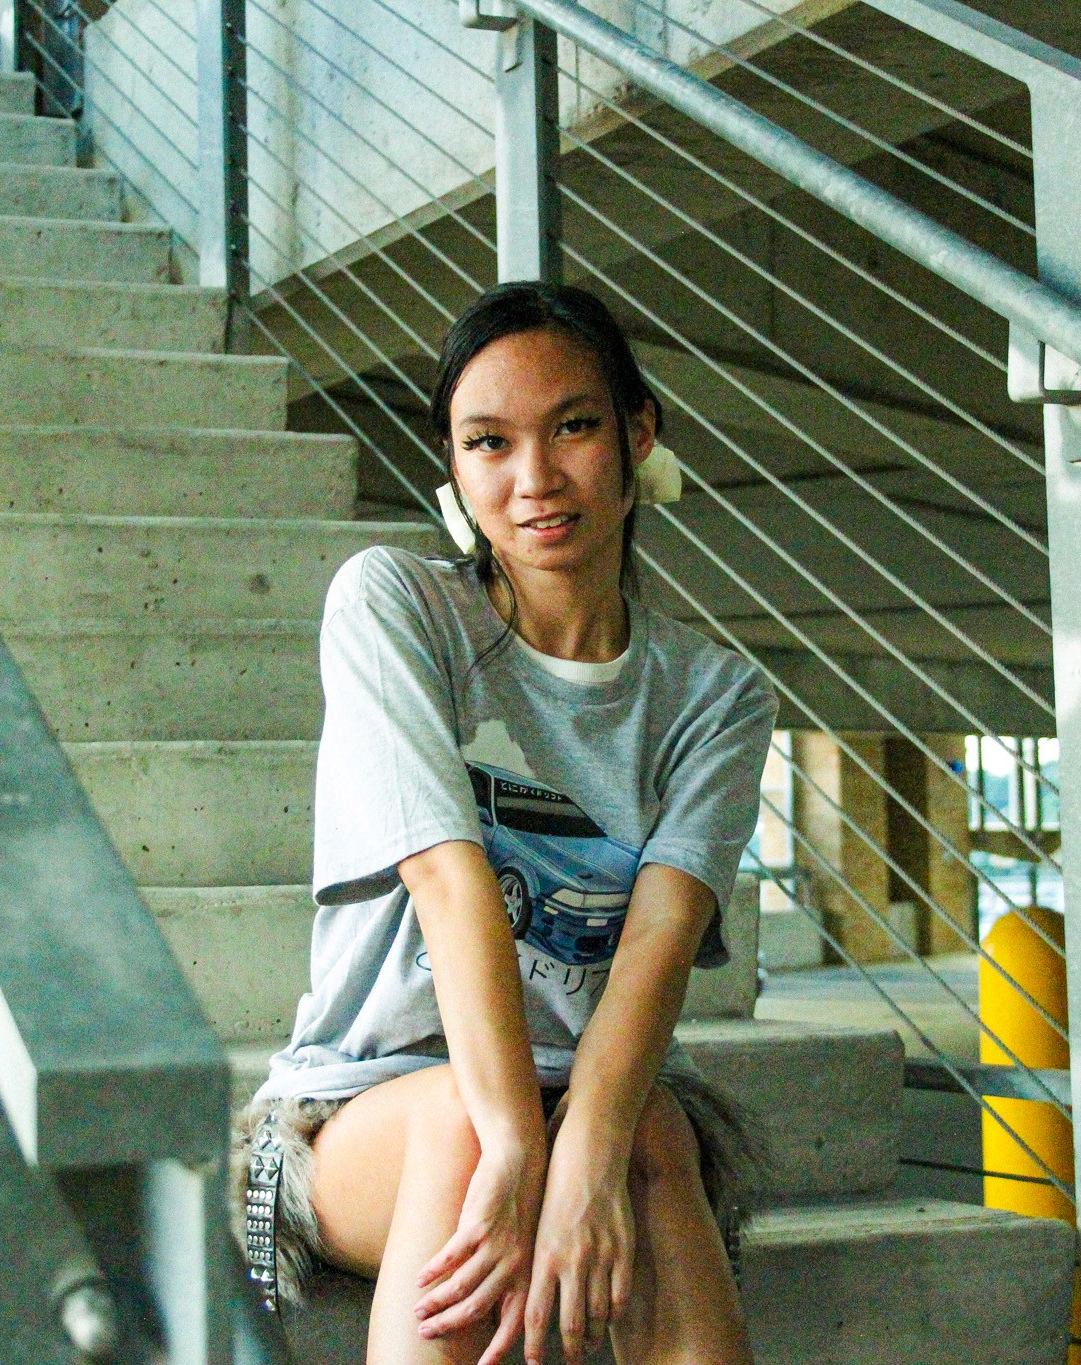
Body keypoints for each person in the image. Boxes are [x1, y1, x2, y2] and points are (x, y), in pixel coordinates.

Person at [236, 281, 776, 1365]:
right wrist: (520, 1151)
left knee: (650, 1132)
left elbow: (660, 940)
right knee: (462, 1129)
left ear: (637, 434)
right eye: (488, 442)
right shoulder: (394, 605)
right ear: (453, 464)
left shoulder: (715, 696)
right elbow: (449, 886)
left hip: (596, 1096)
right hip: (353, 1117)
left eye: (571, 427)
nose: (533, 479)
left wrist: (584, 1155)